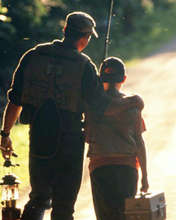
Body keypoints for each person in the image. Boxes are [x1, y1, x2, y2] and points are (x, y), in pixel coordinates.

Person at [0, 12, 143, 220]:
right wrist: (132, 102)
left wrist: (5, 134)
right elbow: (103, 109)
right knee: (64, 207)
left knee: (38, 198)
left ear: (65, 30)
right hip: (70, 143)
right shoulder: (84, 66)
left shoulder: (33, 57)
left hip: (40, 139)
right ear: (84, 39)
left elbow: (14, 102)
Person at [85, 57, 149, 220]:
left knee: (105, 216)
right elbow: (139, 143)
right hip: (127, 169)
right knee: (124, 215)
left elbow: (87, 137)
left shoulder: (92, 106)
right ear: (124, 79)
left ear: (100, 79)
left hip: (100, 169)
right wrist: (145, 177)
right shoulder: (132, 105)